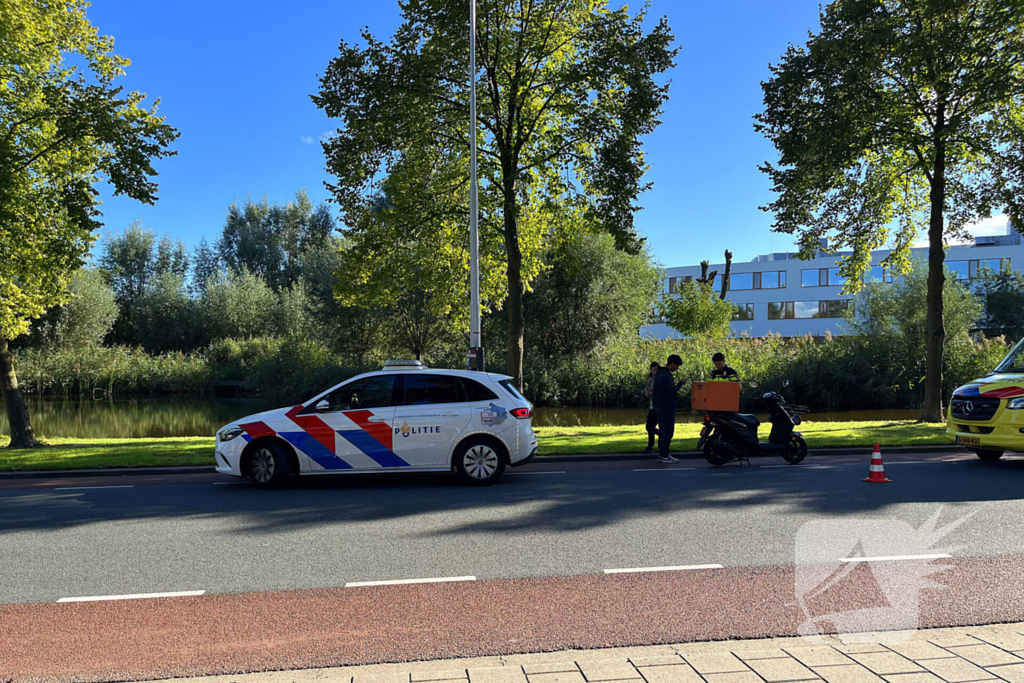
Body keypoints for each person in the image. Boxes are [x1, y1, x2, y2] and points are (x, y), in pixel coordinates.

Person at [651, 354, 686, 463]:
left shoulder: (659, 374)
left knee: (663, 430)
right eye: (677, 366)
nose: (677, 368)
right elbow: (672, 390)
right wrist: (680, 383)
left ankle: (664, 453)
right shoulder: (666, 375)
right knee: (667, 431)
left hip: (659, 406)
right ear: (672, 364)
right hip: (667, 407)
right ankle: (664, 455)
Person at [642, 362, 660, 455]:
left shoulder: (660, 379)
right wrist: (648, 393)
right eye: (653, 371)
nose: (655, 372)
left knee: (651, 426)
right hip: (652, 406)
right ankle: (661, 434)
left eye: (656, 370)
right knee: (649, 427)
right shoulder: (651, 380)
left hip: (659, 407)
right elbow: (646, 390)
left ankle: (651, 446)